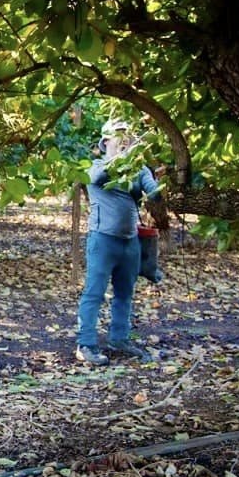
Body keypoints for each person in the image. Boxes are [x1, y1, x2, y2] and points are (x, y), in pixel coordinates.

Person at [75, 119, 163, 365]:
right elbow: (98, 176)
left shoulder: (139, 169)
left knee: (125, 294)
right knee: (94, 293)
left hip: (130, 241)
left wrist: (158, 179)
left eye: (128, 137)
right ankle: (86, 344)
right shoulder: (96, 165)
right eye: (119, 137)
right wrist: (125, 158)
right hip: (102, 240)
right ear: (106, 141)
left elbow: (154, 193)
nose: (125, 142)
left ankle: (119, 338)